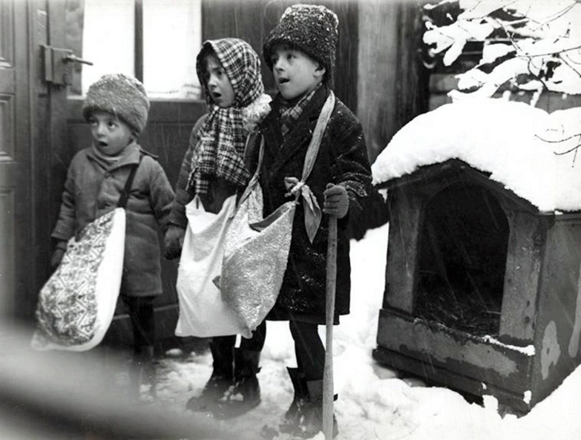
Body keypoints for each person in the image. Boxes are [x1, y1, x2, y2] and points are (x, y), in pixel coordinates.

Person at [250, 4, 372, 438]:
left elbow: (358, 175)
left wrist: (346, 197)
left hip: (316, 241)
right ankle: (305, 399)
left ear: (320, 68)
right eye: (276, 58)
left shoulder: (339, 120)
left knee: (305, 324)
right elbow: (257, 169)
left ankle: (319, 407)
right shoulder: (267, 120)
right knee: (292, 324)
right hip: (278, 240)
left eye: (292, 57)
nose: (279, 67)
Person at [164, 38, 271, 417]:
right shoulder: (205, 126)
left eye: (221, 73)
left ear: (241, 75)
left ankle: (247, 378)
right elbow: (186, 178)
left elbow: (270, 179)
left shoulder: (261, 122)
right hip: (208, 227)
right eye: (207, 74)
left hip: (244, 230)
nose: (212, 82)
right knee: (210, 300)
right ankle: (220, 373)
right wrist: (177, 222)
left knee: (244, 304)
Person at [50, 73, 174, 398]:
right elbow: (68, 203)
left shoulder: (148, 168)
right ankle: (96, 381)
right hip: (92, 265)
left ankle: (143, 376)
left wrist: (175, 237)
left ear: (133, 130)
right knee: (95, 320)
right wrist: (62, 242)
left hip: (138, 265)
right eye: (95, 122)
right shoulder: (80, 163)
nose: (100, 131)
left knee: (140, 322)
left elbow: (167, 210)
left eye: (111, 124)